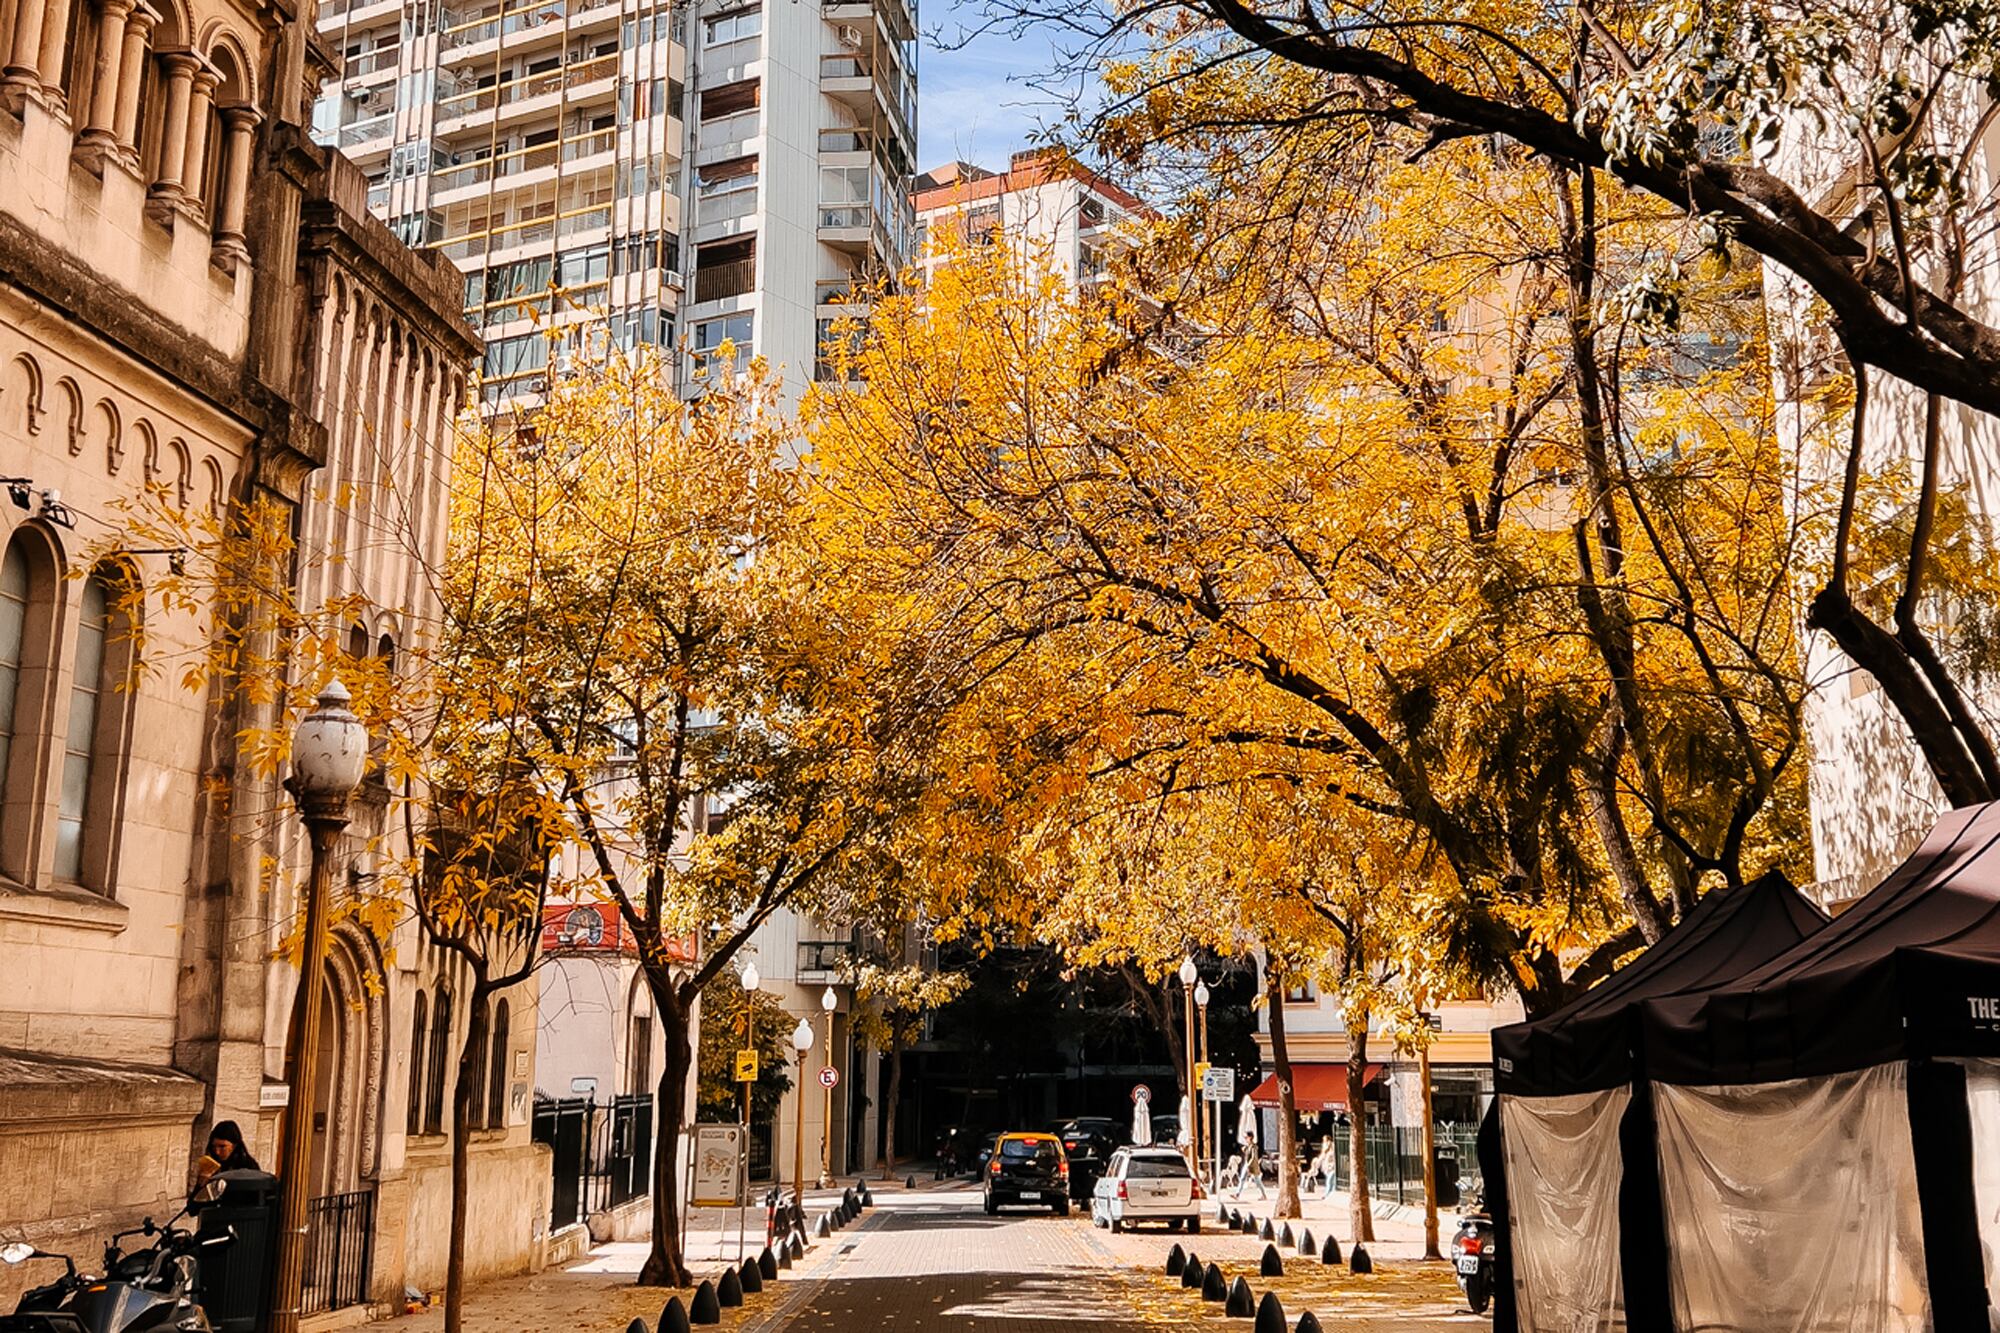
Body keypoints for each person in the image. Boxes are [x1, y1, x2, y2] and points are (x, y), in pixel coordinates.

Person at [196, 1120, 261, 1181]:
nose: (217, 1152)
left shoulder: (248, 1167)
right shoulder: (210, 1166)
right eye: (214, 1147)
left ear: (234, 1145)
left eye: (222, 1147)